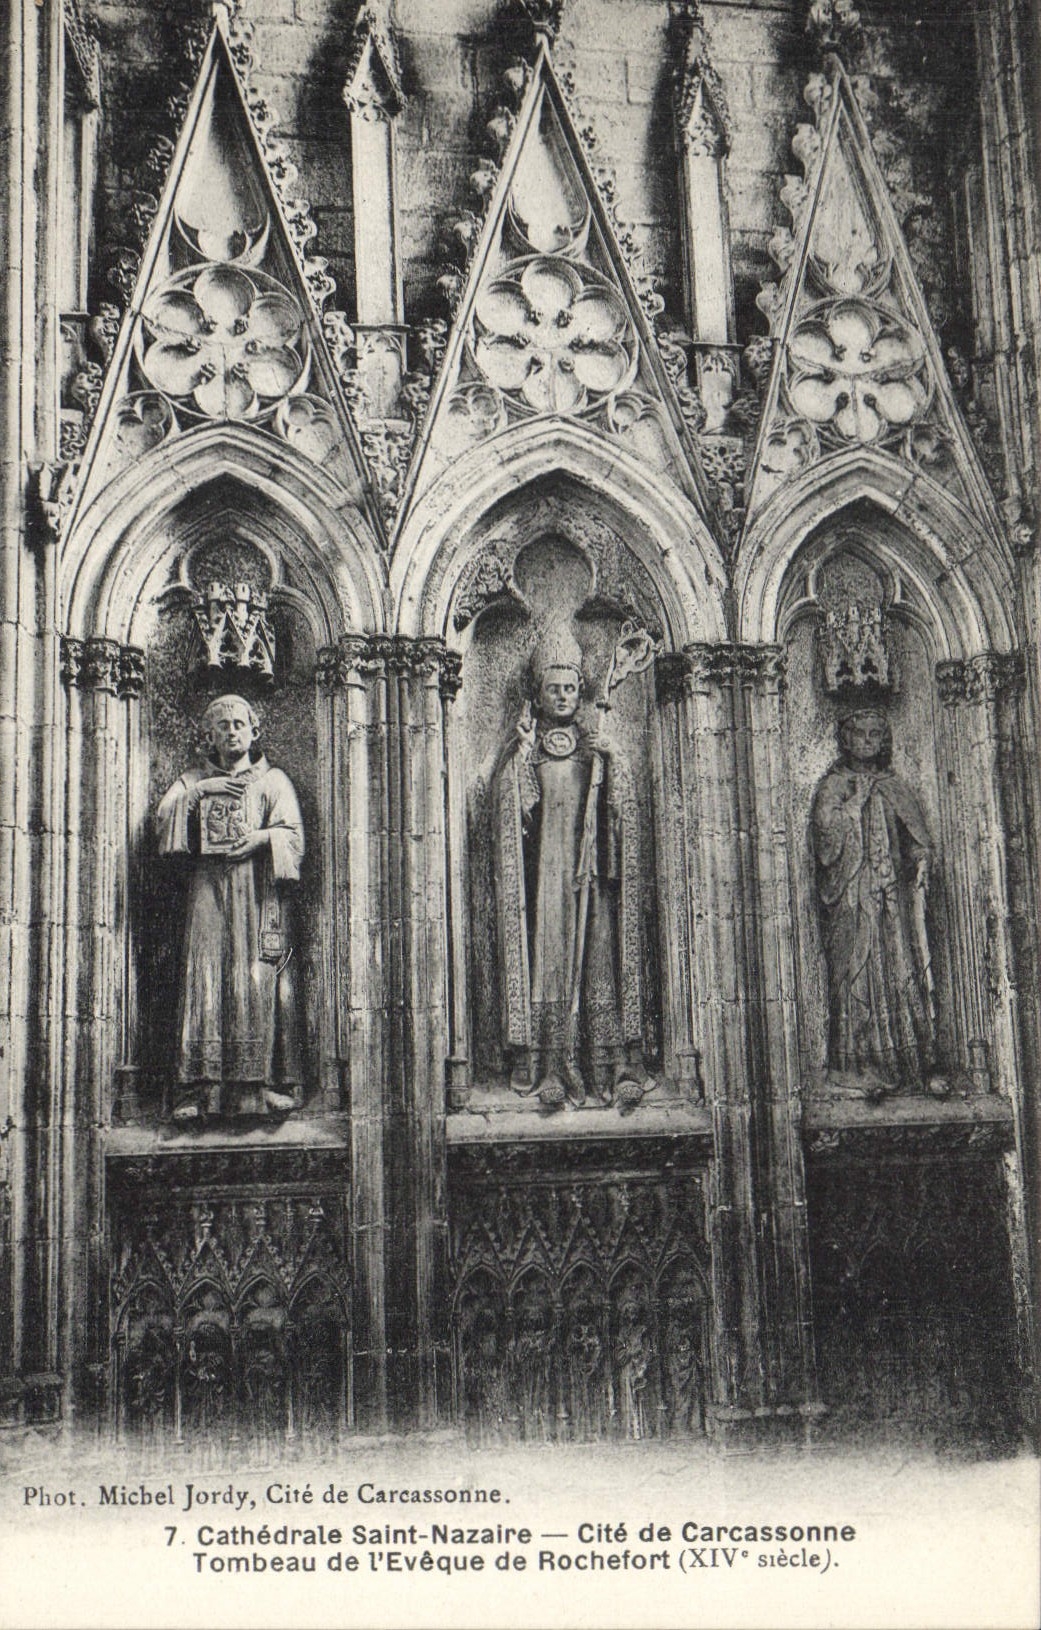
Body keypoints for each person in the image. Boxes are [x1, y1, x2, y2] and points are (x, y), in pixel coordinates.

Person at [494, 620, 644, 1107]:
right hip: (547, 879)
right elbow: (514, 809)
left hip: (591, 874)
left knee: (599, 955)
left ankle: (610, 1063)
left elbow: (622, 813)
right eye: (552, 689)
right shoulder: (529, 749)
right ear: (537, 696)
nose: (562, 696)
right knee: (551, 961)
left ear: (581, 692)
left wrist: (614, 760)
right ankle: (551, 1064)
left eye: (569, 688)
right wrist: (519, 758)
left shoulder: (594, 745)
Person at [156, 694, 304, 1121]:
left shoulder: (272, 780)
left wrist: (260, 839)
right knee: (204, 973)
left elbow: (294, 837)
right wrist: (203, 790)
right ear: (209, 735)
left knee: (255, 976)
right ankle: (200, 1089)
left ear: (254, 731)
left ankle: (257, 1085)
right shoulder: (193, 779)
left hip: (257, 892)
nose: (232, 731)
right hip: (209, 889)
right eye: (223, 726)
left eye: (239, 723)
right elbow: (162, 819)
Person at [810, 707, 942, 1095]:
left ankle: (907, 1065)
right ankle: (856, 1065)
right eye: (860, 734)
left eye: (875, 734)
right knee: (855, 972)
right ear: (845, 739)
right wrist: (853, 808)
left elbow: (917, 837)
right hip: (851, 899)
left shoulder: (892, 785)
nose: (867, 742)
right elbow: (824, 840)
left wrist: (922, 861)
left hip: (890, 902)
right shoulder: (835, 785)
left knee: (899, 966)